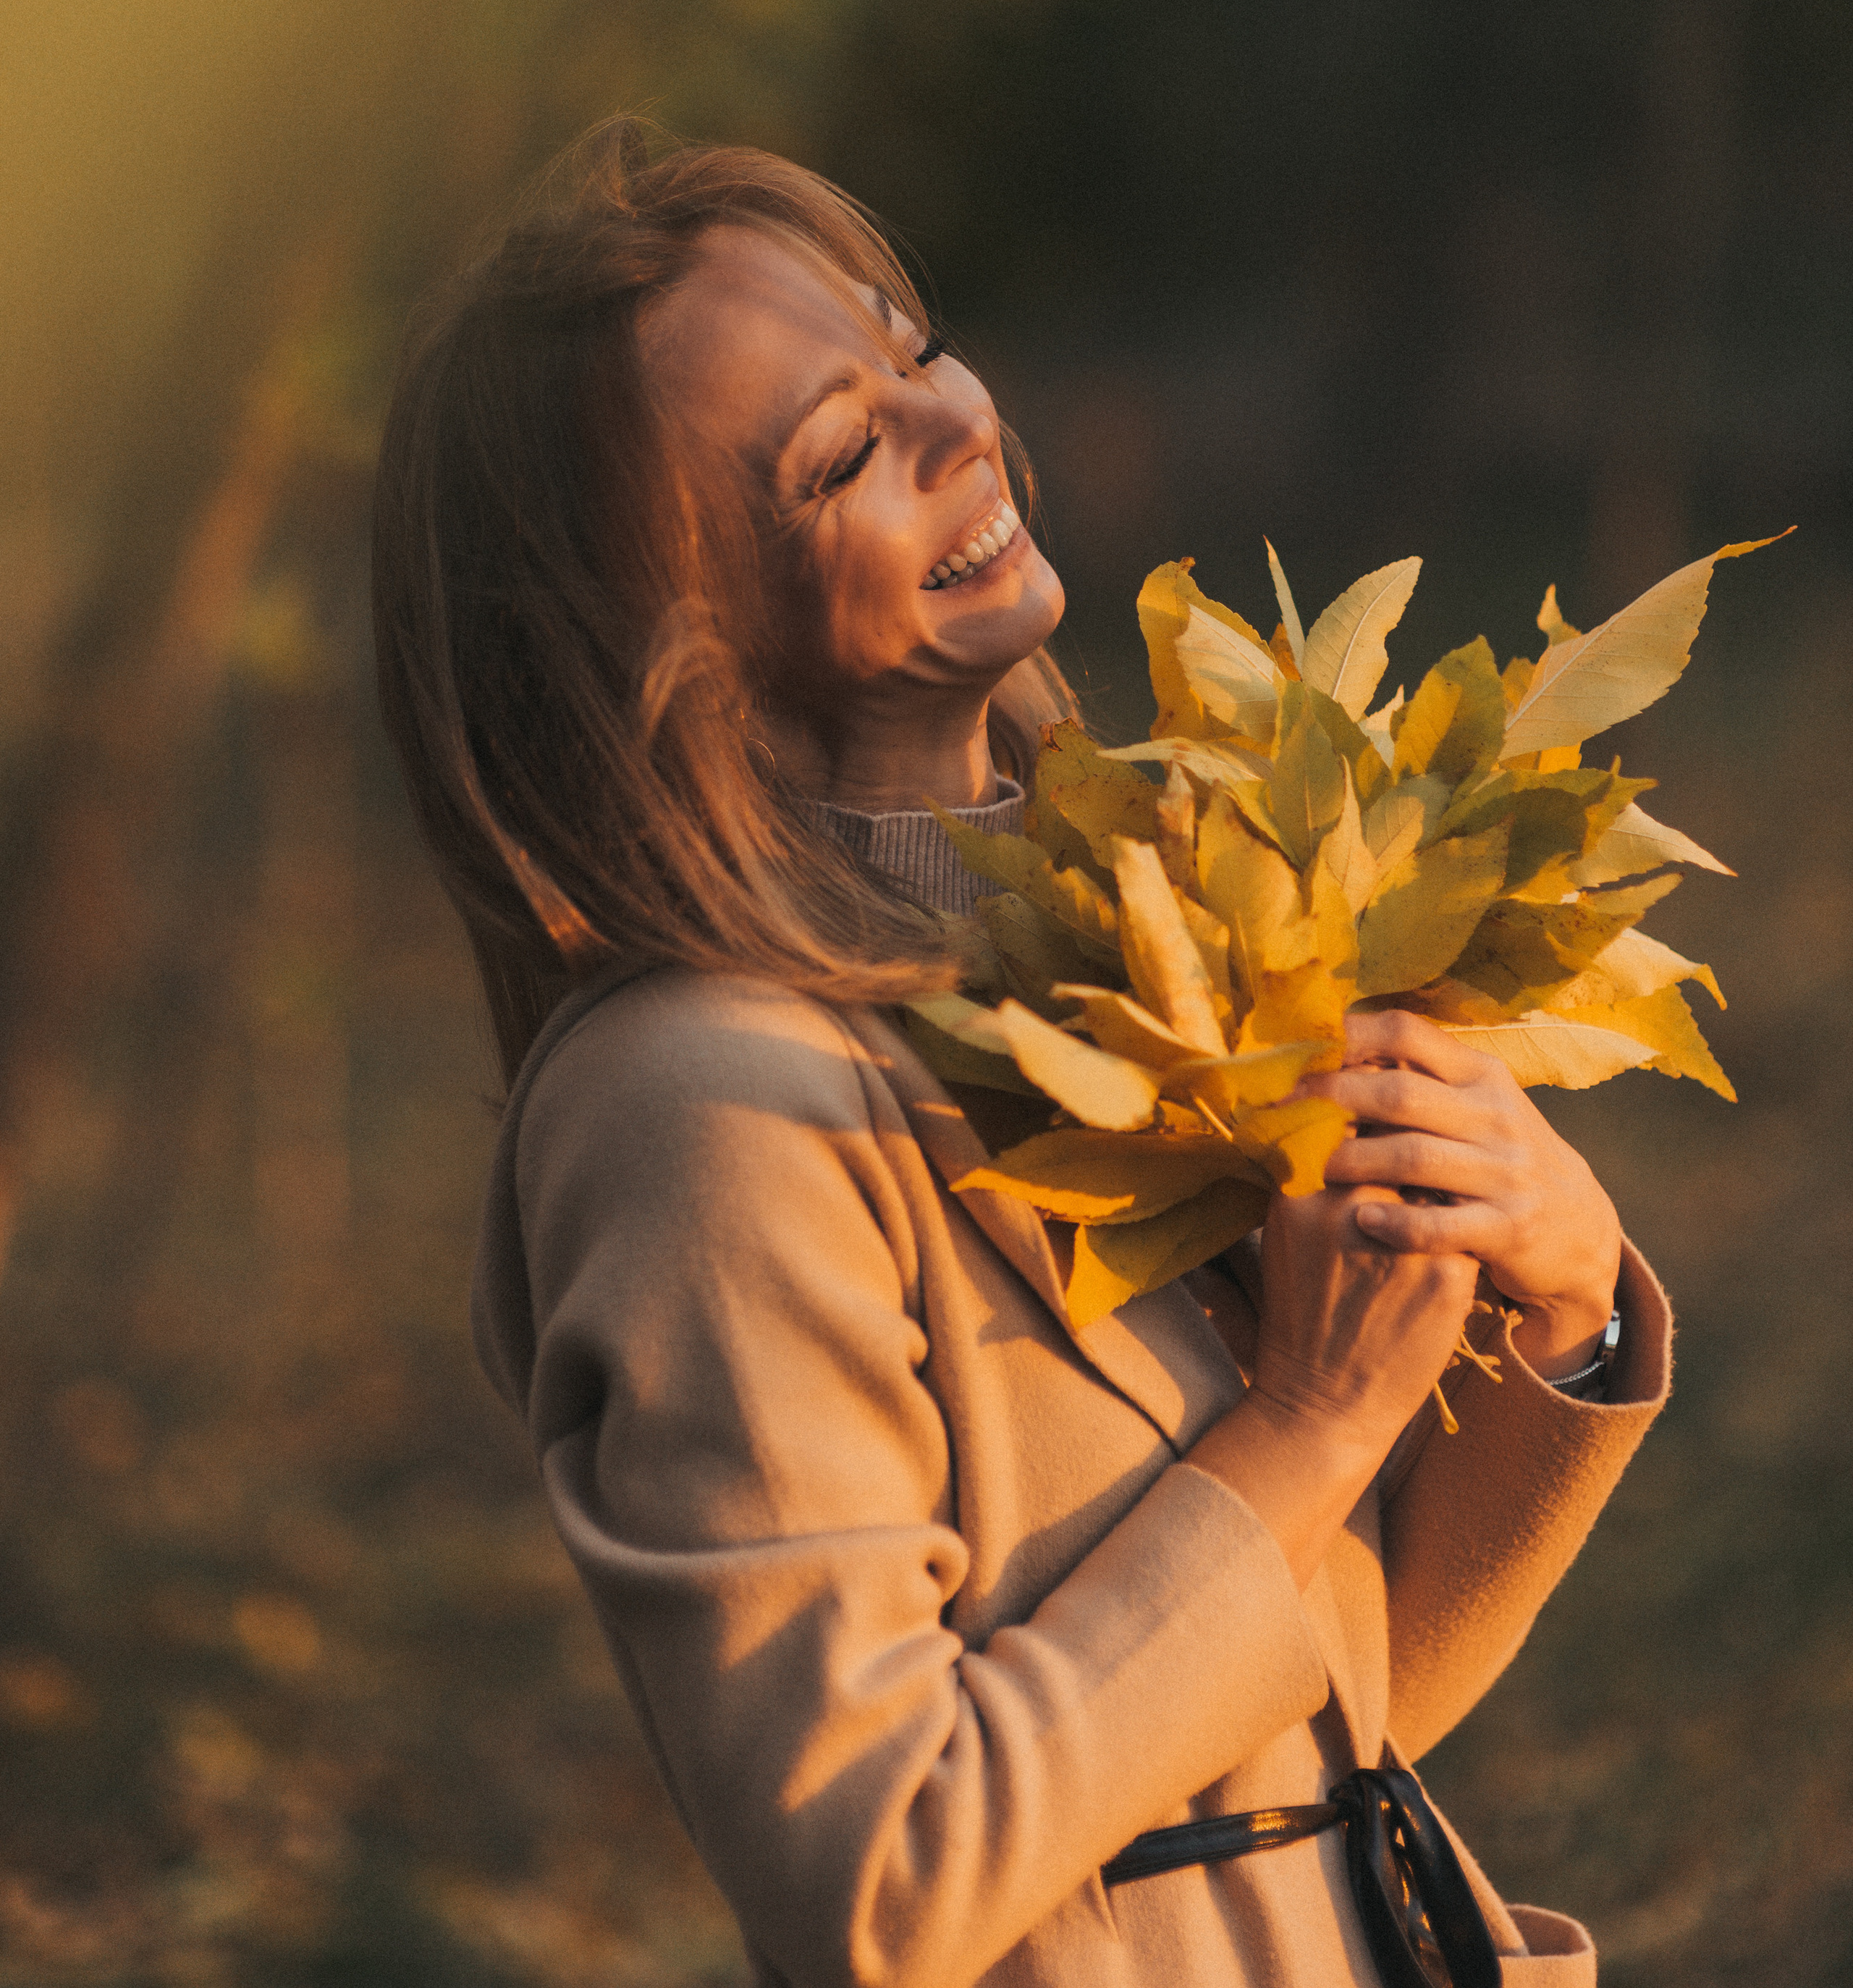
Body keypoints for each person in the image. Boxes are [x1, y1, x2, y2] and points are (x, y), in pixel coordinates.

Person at [373, 128, 1671, 1988]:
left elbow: (1323, 1716)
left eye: (909, 349)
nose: (953, 425)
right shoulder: (700, 1113)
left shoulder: (1089, 961)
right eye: (841, 454)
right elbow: (881, 1881)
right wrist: (1308, 1418)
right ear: (674, 664)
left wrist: (1551, 1296)